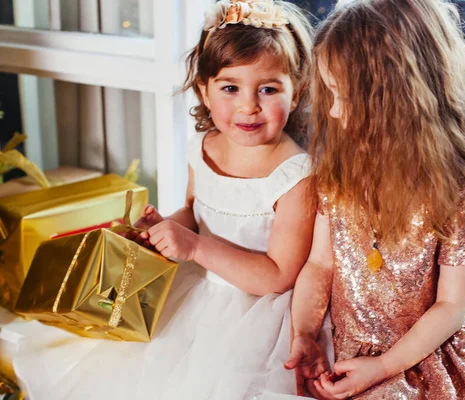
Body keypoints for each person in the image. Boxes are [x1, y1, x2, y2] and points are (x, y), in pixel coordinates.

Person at [12, 1, 317, 398]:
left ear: (297, 93)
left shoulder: (296, 176)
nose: (249, 105)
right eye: (230, 87)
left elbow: (278, 276)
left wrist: (193, 245)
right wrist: (168, 228)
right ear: (204, 91)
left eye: (269, 88)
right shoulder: (203, 147)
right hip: (197, 289)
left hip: (255, 316)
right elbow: (196, 211)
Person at [285, 0, 465, 398]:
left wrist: (383, 367)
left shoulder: (460, 195)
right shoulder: (339, 175)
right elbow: (320, 266)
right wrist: (304, 332)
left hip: (418, 352)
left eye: (347, 97)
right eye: (330, 94)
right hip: (345, 341)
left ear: (402, 99)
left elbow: (450, 307)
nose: (334, 112)